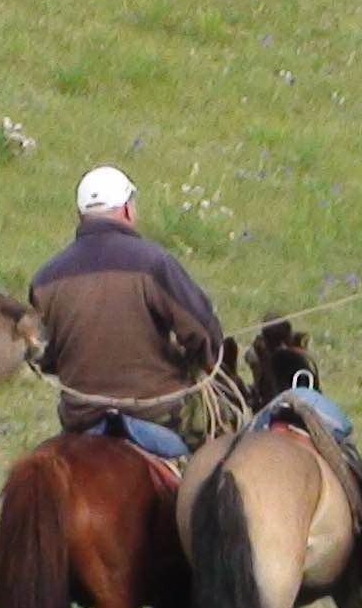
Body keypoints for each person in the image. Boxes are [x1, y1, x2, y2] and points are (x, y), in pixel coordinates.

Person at [30, 164, 226, 452]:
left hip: (81, 421)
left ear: (80, 217)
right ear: (127, 211)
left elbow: (43, 356)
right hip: (157, 417)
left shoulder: (46, 279)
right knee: (211, 471)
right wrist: (197, 362)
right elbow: (204, 334)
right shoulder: (155, 264)